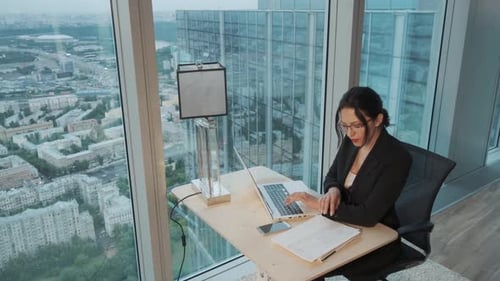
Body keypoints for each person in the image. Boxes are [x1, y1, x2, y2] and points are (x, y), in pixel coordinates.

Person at [285, 86, 412, 281]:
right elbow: (332, 175)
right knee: (297, 254)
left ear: (378, 120)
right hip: (341, 225)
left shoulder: (397, 158)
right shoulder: (351, 140)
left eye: (356, 125)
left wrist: (320, 205)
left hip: (375, 239)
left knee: (310, 267)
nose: (350, 132)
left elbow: (369, 216)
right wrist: (334, 190)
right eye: (345, 126)